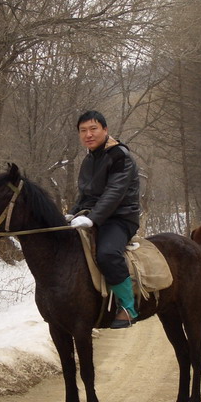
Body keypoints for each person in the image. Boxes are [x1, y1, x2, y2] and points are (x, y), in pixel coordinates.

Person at [68, 110, 141, 329]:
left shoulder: (120, 156)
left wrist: (92, 219)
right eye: (83, 131)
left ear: (105, 130)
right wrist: (73, 213)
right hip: (93, 215)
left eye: (93, 129)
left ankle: (128, 307)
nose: (88, 134)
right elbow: (85, 194)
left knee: (107, 253)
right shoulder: (89, 159)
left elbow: (115, 193)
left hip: (120, 218)